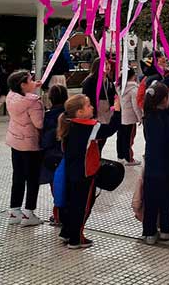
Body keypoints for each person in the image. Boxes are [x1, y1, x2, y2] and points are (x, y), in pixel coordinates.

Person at [57, 94, 120, 249]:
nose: (92, 107)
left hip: (71, 171)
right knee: (83, 206)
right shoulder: (88, 126)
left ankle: (67, 232)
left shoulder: (69, 123)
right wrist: (117, 111)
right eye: (88, 105)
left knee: (71, 203)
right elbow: (110, 129)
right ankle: (76, 239)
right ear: (79, 112)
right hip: (85, 173)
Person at [4, 70, 45, 227]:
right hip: (30, 143)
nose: (33, 81)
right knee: (33, 178)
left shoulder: (11, 96)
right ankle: (29, 212)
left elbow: (24, 95)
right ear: (22, 84)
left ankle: (14, 210)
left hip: (15, 141)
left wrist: (33, 87)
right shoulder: (34, 102)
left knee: (18, 176)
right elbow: (39, 124)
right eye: (30, 80)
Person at [141, 81, 169, 244]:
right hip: (167, 163)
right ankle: (165, 229)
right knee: (167, 197)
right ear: (165, 100)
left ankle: (149, 232)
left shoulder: (147, 117)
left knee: (150, 198)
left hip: (151, 163)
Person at [40, 84, 68, 226]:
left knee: (56, 187)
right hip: (68, 155)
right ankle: (66, 214)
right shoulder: (70, 114)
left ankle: (58, 216)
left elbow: (45, 140)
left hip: (53, 156)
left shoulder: (49, 116)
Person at [118, 68, 142, 166]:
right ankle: (129, 159)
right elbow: (136, 106)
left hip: (121, 116)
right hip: (130, 118)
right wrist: (140, 118)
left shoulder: (119, 87)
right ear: (133, 76)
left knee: (121, 137)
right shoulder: (133, 89)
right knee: (129, 139)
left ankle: (121, 156)